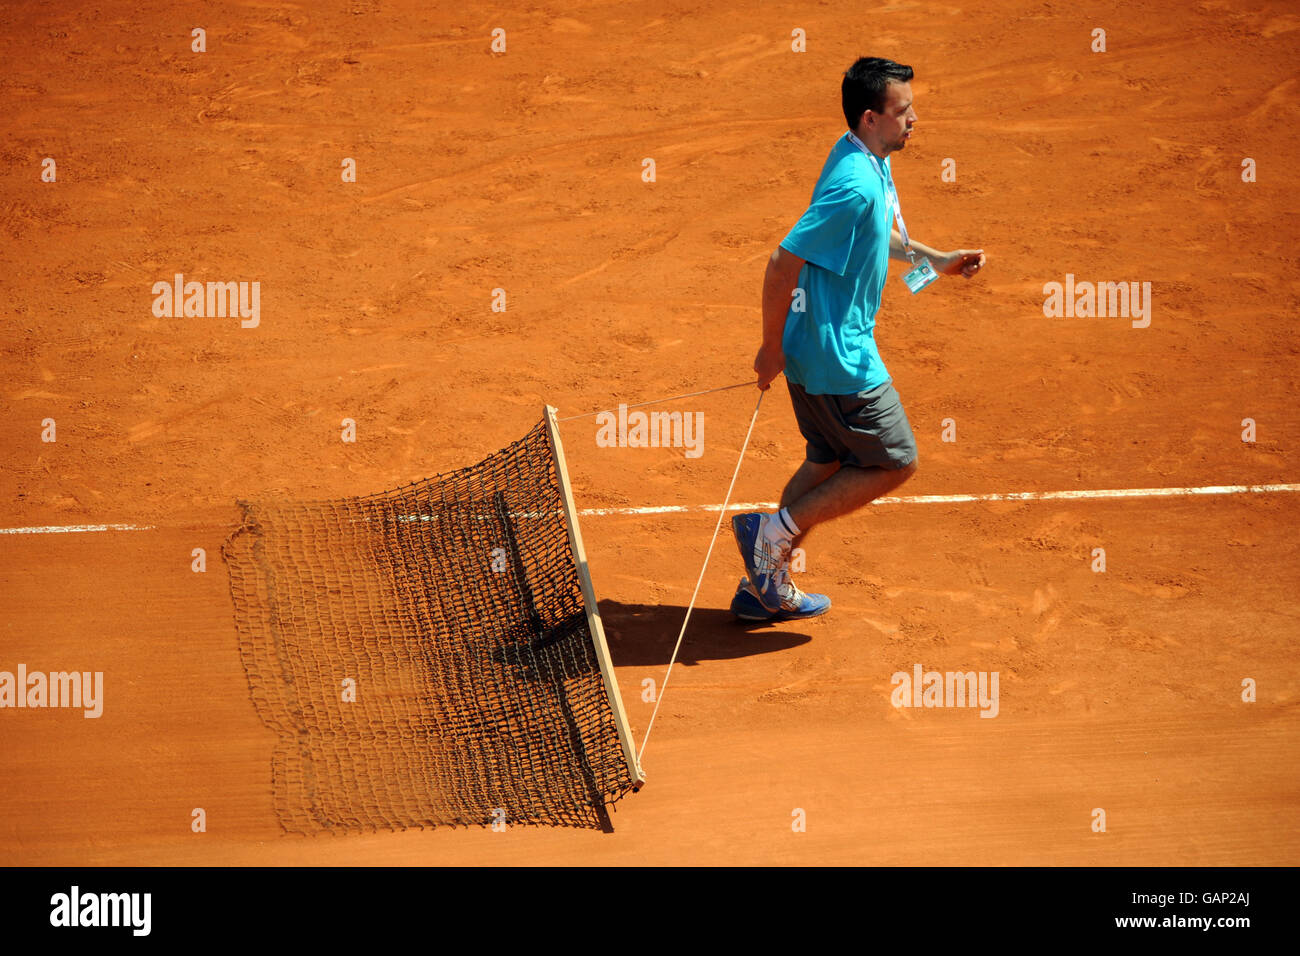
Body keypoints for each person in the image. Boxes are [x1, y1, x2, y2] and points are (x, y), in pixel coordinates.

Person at [730, 56, 987, 622]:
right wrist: (769, 346)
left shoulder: (859, 155)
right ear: (871, 117)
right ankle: (771, 536)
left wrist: (934, 261)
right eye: (903, 111)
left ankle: (764, 585)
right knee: (896, 461)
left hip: (813, 352)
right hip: (839, 358)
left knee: (826, 462)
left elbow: (874, 236)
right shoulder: (854, 185)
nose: (914, 118)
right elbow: (782, 262)